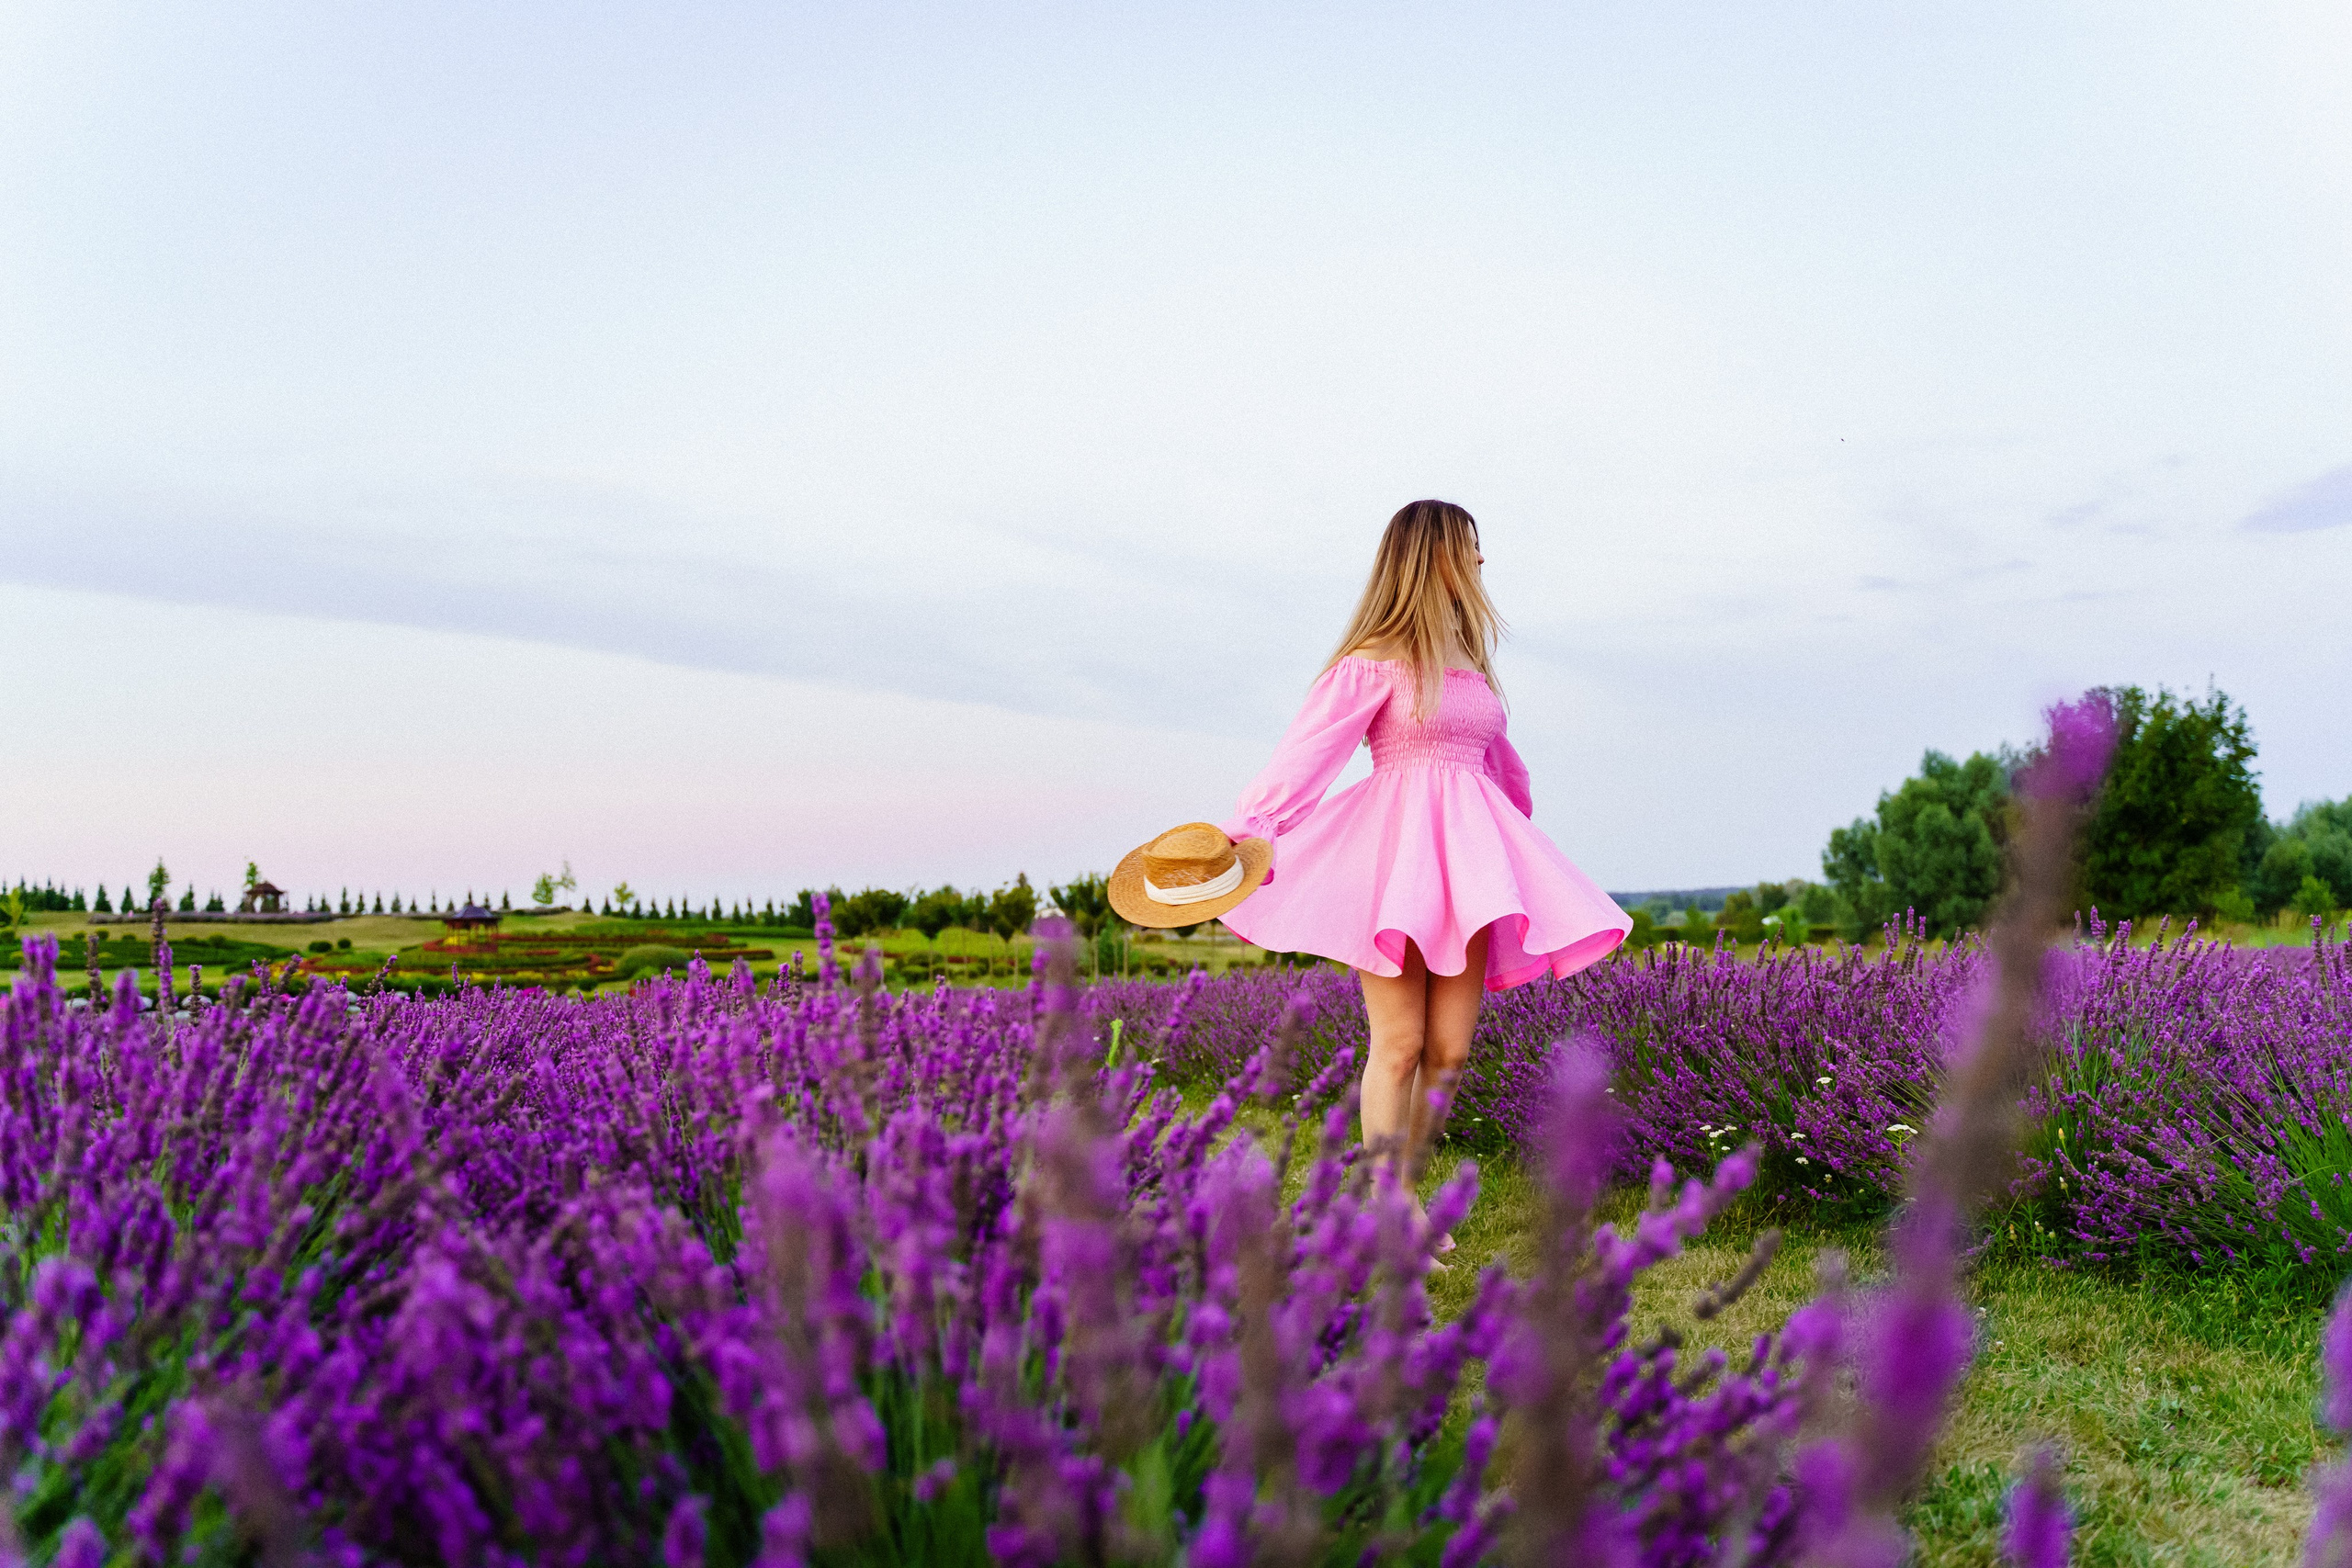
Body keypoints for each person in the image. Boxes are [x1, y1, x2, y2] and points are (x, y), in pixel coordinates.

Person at [1213, 500, 1630, 1188]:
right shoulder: (1372, 660)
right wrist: (1257, 829)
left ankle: (1406, 1185)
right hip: (1392, 864)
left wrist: (1511, 845)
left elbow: (1499, 764)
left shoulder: (1470, 659)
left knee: (1450, 1051)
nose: (1481, 559)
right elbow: (1306, 754)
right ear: (1434, 553)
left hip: (1467, 867)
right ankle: (1389, 1205)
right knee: (1401, 1042)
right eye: (1471, 544)